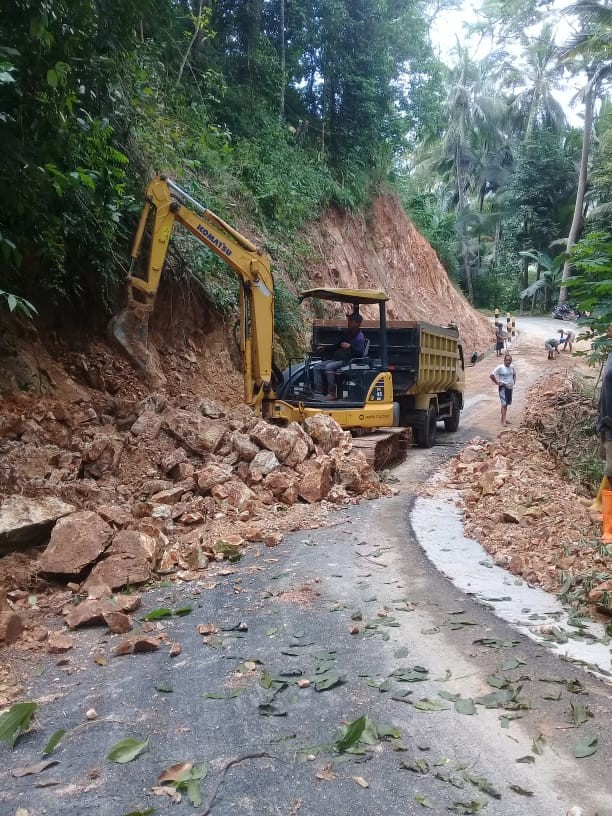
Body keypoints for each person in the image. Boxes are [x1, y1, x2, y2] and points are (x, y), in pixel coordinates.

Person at [313, 312, 367, 400]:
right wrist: (325, 348)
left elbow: (360, 354)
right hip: (339, 359)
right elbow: (337, 346)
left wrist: (350, 347)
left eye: (351, 321)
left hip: (349, 361)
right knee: (317, 367)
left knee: (329, 367)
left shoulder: (360, 337)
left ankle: (332, 394)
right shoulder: (348, 334)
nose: (348, 322)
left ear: (357, 323)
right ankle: (318, 393)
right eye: (348, 320)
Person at [597, 324, 612, 541]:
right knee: (611, 473)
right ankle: (608, 526)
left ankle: (609, 528)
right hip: (608, 425)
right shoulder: (611, 355)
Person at [490, 353, 516, 426]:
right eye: (507, 360)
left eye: (510, 360)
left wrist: (514, 381)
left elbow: (514, 374)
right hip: (503, 388)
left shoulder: (512, 367)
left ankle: (503, 419)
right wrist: (497, 383)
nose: (508, 361)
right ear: (504, 360)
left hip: (510, 387)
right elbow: (491, 375)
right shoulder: (500, 367)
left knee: (506, 404)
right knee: (504, 404)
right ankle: (504, 420)